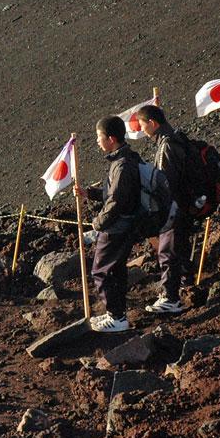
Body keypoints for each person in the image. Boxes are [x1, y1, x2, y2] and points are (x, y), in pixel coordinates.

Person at [76, 116, 142, 333]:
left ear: (111, 139)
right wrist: (90, 194)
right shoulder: (125, 159)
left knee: (101, 271)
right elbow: (113, 193)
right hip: (123, 226)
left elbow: (117, 201)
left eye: (99, 137)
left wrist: (97, 223)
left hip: (116, 228)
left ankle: (117, 317)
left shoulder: (122, 165)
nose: (97, 141)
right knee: (115, 270)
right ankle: (116, 314)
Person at [135, 104, 194, 314]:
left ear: (152, 123)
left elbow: (166, 182)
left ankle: (170, 298)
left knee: (167, 252)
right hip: (186, 204)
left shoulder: (167, 145)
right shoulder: (177, 138)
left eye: (142, 125)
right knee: (181, 247)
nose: (141, 129)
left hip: (174, 208)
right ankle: (186, 284)